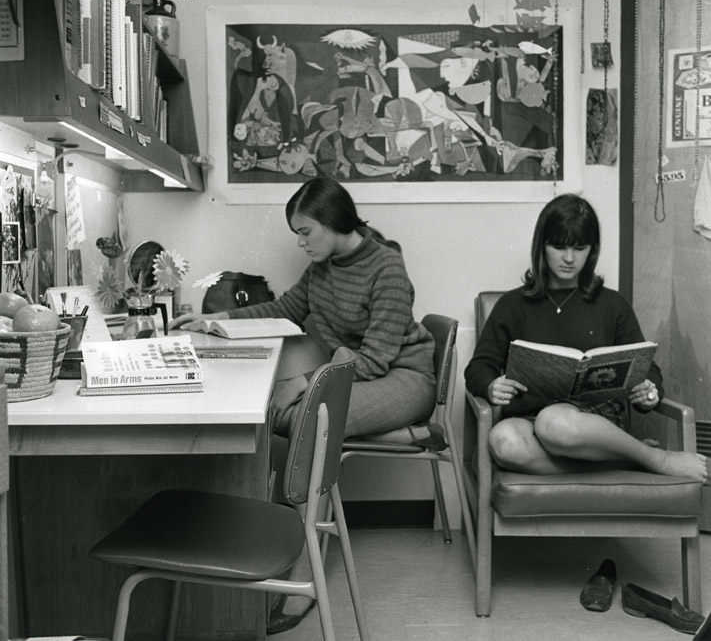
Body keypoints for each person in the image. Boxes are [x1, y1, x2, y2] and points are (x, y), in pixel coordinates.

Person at [170, 178, 441, 633]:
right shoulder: (324, 267)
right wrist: (212, 320)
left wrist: (302, 381)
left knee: (310, 418)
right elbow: (284, 309)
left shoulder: (387, 267)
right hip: (357, 373)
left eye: (305, 231)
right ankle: (276, 540)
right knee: (293, 415)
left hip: (405, 378)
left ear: (336, 223)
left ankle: (302, 582)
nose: (299, 241)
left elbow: (374, 360)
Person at [464, 193, 709, 482]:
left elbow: (648, 370)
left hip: (596, 423)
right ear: (541, 247)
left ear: (592, 250)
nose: (569, 259)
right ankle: (627, 462)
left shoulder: (612, 304)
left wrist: (649, 391)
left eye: (580, 248)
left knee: (553, 422)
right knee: (503, 441)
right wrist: (491, 386)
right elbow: (478, 368)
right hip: (530, 420)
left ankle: (658, 459)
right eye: (558, 247)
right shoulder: (512, 305)